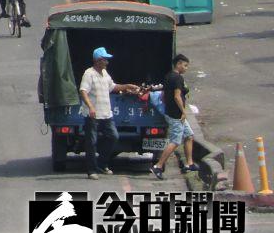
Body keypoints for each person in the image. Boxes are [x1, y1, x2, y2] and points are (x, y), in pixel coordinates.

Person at [79, 47, 141, 179]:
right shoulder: (88, 74)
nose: (107, 62)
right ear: (98, 60)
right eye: (105, 60)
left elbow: (112, 87)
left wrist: (127, 86)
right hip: (93, 115)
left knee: (113, 136)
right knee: (91, 142)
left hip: (106, 113)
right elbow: (83, 91)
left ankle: (102, 164)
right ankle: (91, 170)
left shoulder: (105, 73)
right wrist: (90, 107)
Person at [152, 54, 196, 180]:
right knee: (175, 141)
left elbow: (163, 96)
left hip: (170, 112)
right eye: (185, 65)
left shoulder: (168, 76)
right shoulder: (177, 78)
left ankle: (190, 163)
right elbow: (177, 96)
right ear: (179, 64)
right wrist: (183, 111)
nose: (186, 68)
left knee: (189, 135)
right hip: (177, 115)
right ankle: (158, 166)